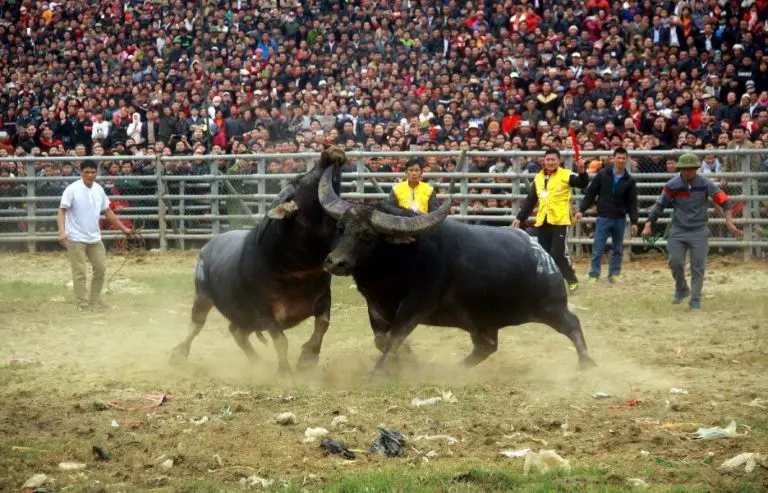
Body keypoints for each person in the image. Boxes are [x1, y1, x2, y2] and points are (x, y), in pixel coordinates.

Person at [642, 153, 742, 310]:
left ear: (696, 169)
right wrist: (649, 224)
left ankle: (695, 299)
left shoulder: (706, 184)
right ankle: (681, 288)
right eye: (684, 169)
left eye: (691, 169)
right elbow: (660, 205)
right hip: (678, 229)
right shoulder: (672, 185)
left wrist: (729, 222)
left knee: (698, 266)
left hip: (699, 230)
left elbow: (725, 202)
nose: (687, 172)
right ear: (680, 169)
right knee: (675, 262)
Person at [57, 160, 134, 311]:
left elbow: (107, 211)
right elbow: (62, 210)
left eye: (93, 172)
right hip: (75, 236)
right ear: (81, 173)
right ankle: (81, 303)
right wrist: (62, 232)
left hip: (94, 236)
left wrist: (123, 228)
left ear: (97, 173)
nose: (90, 175)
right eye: (87, 172)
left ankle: (94, 300)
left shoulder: (99, 189)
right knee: (80, 272)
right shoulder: (72, 189)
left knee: (100, 268)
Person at [512, 148, 589, 292]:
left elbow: (582, 183)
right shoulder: (539, 177)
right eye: (548, 159)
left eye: (553, 159)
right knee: (544, 255)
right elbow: (530, 200)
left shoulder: (566, 175)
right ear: (544, 161)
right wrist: (520, 218)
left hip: (560, 220)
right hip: (543, 221)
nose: (550, 162)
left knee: (558, 254)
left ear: (559, 161)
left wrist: (582, 171)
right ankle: (549, 284)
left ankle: (571, 280)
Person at [575, 147, 639, 283]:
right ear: (613, 159)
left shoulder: (629, 180)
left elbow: (632, 203)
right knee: (598, 248)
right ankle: (594, 274)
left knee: (617, 248)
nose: (621, 160)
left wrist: (634, 221)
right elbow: (591, 193)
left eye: (623, 158)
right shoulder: (603, 174)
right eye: (618, 158)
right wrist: (581, 209)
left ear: (626, 160)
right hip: (603, 217)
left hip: (620, 218)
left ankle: (614, 273)